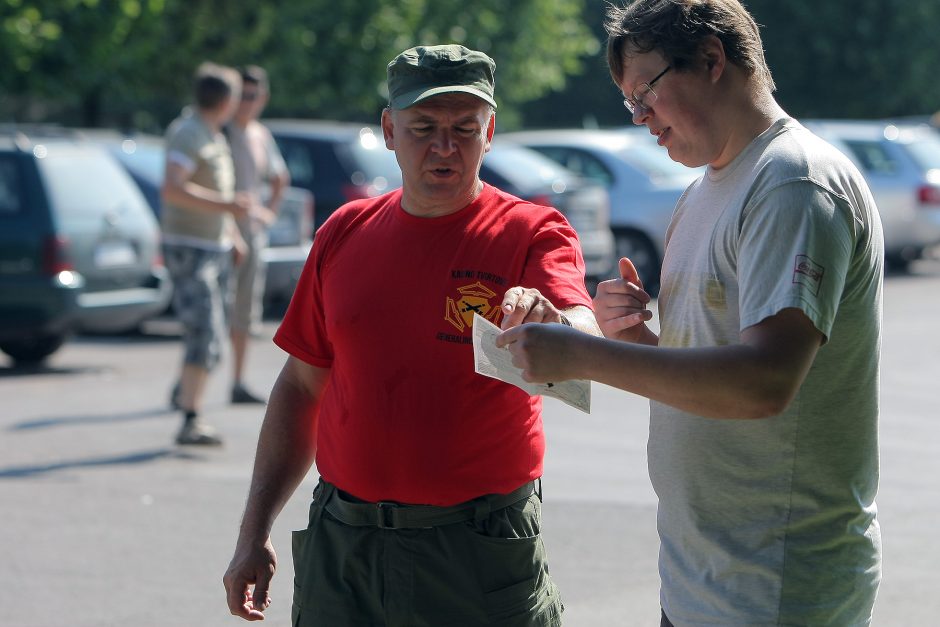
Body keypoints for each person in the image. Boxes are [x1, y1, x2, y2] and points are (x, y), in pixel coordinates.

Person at [498, 1, 884, 625]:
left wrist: (586, 355)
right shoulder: (708, 187)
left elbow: (763, 383)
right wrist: (634, 337)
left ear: (710, 59)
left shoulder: (792, 183)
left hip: (777, 586)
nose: (640, 118)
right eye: (629, 104)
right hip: (704, 576)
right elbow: (701, 374)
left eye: (644, 92)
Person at [223, 44, 599, 625]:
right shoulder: (344, 233)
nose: (444, 147)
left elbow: (578, 324)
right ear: (389, 130)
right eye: (424, 127)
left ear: (490, 131)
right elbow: (301, 386)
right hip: (344, 547)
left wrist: (558, 325)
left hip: (477, 547)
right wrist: (254, 532)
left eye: (464, 129)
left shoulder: (532, 231)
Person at [161, 62, 256, 446]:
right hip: (191, 249)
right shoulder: (190, 133)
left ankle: (185, 391)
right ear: (227, 99)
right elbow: (172, 188)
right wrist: (228, 206)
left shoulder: (212, 133)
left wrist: (230, 231)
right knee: (204, 331)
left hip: (212, 247)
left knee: (211, 331)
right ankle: (190, 418)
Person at [225, 65, 290, 405]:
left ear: (262, 98)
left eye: (252, 96)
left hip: (251, 233)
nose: (246, 102)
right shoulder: (222, 132)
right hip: (220, 230)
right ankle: (187, 384)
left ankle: (237, 380)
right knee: (207, 311)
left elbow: (280, 177)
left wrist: (269, 212)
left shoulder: (260, 135)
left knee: (244, 308)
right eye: (241, 95)